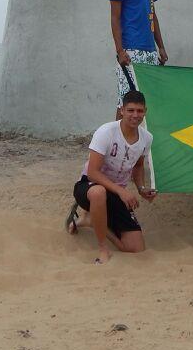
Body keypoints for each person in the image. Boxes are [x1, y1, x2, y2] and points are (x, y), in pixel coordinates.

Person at [65, 90, 157, 264]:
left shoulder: (147, 138)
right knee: (99, 192)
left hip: (115, 194)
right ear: (122, 110)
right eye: (130, 110)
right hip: (88, 186)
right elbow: (93, 172)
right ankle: (102, 249)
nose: (135, 115)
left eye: (139, 111)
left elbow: (138, 166)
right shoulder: (106, 131)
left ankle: (92, 221)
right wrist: (121, 192)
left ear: (145, 111)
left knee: (136, 248)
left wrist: (141, 189)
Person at [110, 0, 168, 115]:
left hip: (150, 51)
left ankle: (140, 141)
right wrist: (120, 50)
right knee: (126, 102)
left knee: (145, 101)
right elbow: (115, 18)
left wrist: (161, 47)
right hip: (130, 51)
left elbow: (152, 15)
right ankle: (118, 142)